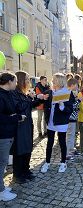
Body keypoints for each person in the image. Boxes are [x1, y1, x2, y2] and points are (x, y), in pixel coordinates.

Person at [11, 71, 46, 183]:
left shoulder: (23, 93)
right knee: (20, 150)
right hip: (19, 126)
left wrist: (40, 99)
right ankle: (17, 174)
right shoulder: (15, 93)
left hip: (27, 125)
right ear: (21, 80)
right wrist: (30, 99)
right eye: (26, 79)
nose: (28, 81)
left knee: (27, 148)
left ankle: (26, 170)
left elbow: (30, 105)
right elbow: (19, 106)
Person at [41, 73, 75, 173]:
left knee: (62, 142)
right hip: (51, 121)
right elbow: (45, 104)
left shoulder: (68, 93)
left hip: (61, 121)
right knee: (49, 142)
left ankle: (63, 163)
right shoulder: (49, 92)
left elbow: (69, 109)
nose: (52, 81)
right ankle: (47, 162)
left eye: (54, 80)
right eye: (53, 80)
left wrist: (62, 106)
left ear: (60, 81)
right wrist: (42, 98)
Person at [0, 72, 25, 201]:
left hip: (8, 133)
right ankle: (1, 192)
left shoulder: (8, 93)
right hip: (3, 134)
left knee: (3, 163)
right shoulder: (1, 95)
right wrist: (17, 117)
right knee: (2, 163)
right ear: (9, 82)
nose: (16, 83)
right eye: (14, 81)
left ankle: (1, 187)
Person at [66, 78, 82, 160]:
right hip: (70, 118)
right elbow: (71, 106)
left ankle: (71, 150)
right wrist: (79, 101)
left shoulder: (70, 93)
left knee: (72, 135)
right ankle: (68, 153)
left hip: (72, 118)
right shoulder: (68, 93)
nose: (77, 87)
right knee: (70, 135)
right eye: (76, 85)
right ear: (72, 85)